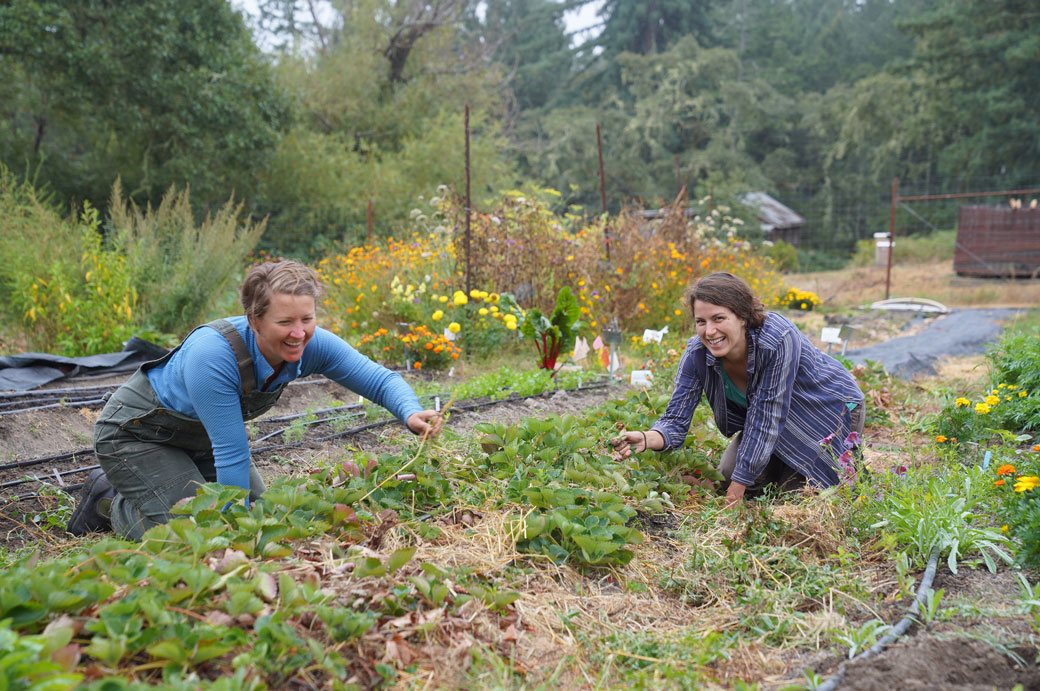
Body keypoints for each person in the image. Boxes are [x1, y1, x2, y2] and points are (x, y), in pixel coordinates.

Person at [68, 260, 443, 539]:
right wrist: (235, 538)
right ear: (255, 319)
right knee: (195, 536)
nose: (299, 333)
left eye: (307, 319)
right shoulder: (213, 355)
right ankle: (110, 502)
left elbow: (379, 379)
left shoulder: (310, 343)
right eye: (285, 323)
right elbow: (231, 454)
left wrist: (410, 413)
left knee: (265, 518)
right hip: (136, 437)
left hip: (198, 443)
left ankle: (168, 488)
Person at [611, 272, 865, 505]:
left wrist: (736, 492)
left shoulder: (776, 338)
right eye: (701, 321)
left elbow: (768, 416)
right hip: (771, 422)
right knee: (730, 474)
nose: (709, 331)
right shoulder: (698, 354)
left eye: (719, 318)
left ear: (742, 317)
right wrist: (647, 438)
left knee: (798, 499)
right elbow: (676, 420)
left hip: (826, 410)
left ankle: (824, 472)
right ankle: (780, 465)